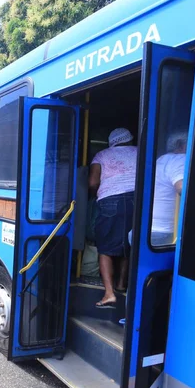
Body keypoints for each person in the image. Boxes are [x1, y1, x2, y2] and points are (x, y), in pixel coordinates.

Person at [88, 128, 137, 308]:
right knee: (128, 244)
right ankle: (121, 284)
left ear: (112, 142)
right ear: (130, 139)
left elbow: (93, 182)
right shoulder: (141, 151)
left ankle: (109, 294)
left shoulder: (101, 155)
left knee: (105, 248)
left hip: (111, 201)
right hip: (138, 200)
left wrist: (95, 196)